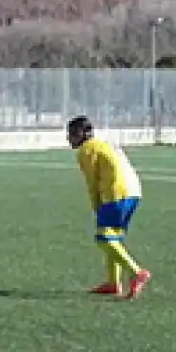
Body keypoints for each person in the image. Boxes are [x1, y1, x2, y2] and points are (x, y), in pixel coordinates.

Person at [68, 115, 151, 300]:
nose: (69, 139)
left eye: (71, 134)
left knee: (103, 238)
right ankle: (113, 283)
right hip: (133, 191)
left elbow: (92, 182)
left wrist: (96, 205)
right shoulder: (103, 143)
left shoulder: (86, 150)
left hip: (116, 192)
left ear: (81, 134)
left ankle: (137, 273)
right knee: (114, 237)